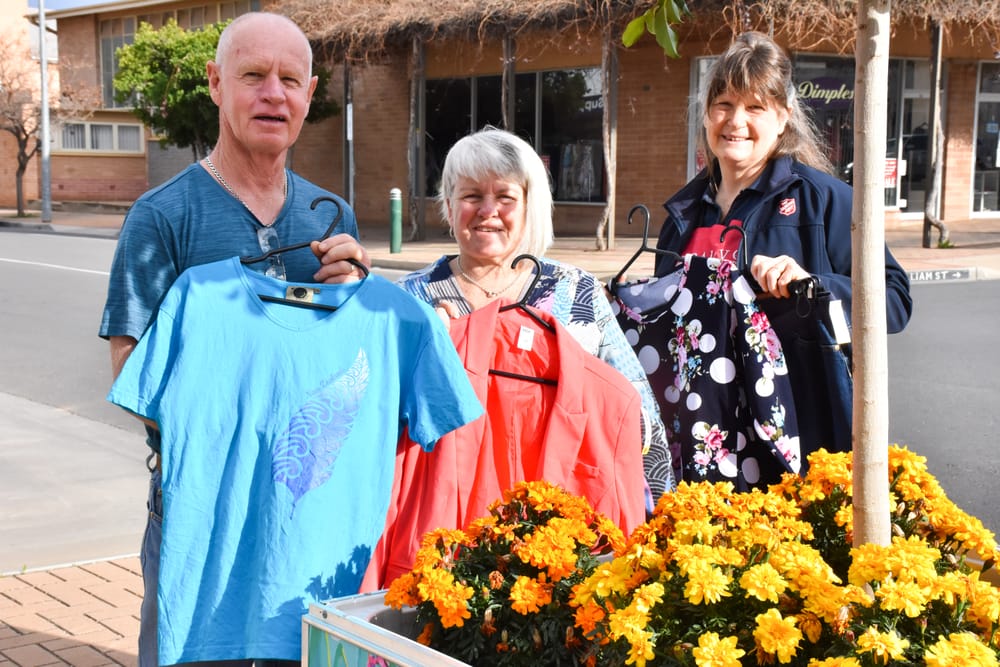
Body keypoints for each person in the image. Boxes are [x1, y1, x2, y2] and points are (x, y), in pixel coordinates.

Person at [99, 12, 368, 667]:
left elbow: (350, 369)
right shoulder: (162, 216)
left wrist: (356, 302)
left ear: (309, 96)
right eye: (253, 75)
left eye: (290, 80)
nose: (273, 93)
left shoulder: (331, 216)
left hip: (305, 507)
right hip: (200, 505)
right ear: (217, 84)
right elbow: (130, 369)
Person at [652, 32, 913, 458]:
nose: (735, 121)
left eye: (755, 107)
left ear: (783, 117)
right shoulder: (683, 214)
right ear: (707, 114)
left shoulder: (825, 201)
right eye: (724, 104)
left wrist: (813, 285)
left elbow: (895, 301)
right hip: (701, 436)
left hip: (796, 433)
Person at [396, 127, 675, 504]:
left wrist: (654, 508)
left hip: (556, 509)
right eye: (471, 196)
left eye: (505, 197)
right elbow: (381, 413)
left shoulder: (575, 292)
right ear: (449, 205)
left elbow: (635, 405)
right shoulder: (411, 299)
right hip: (442, 506)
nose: (488, 210)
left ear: (530, 206)